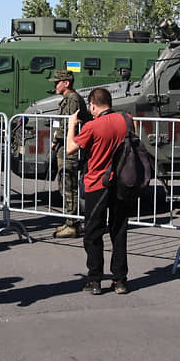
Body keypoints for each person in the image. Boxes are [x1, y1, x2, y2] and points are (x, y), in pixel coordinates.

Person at [66, 87, 130, 295]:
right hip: (121, 182)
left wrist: (71, 125)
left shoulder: (92, 126)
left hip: (97, 183)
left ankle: (95, 280)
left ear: (92, 104)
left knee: (93, 233)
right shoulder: (127, 120)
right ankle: (120, 280)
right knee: (118, 231)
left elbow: (70, 148)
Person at [48, 70, 92, 238]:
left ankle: (72, 224)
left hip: (70, 147)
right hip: (65, 145)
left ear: (66, 83)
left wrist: (56, 138)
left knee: (69, 185)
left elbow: (69, 123)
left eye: (57, 82)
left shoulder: (73, 99)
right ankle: (71, 221)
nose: (55, 85)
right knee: (66, 184)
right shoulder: (68, 99)